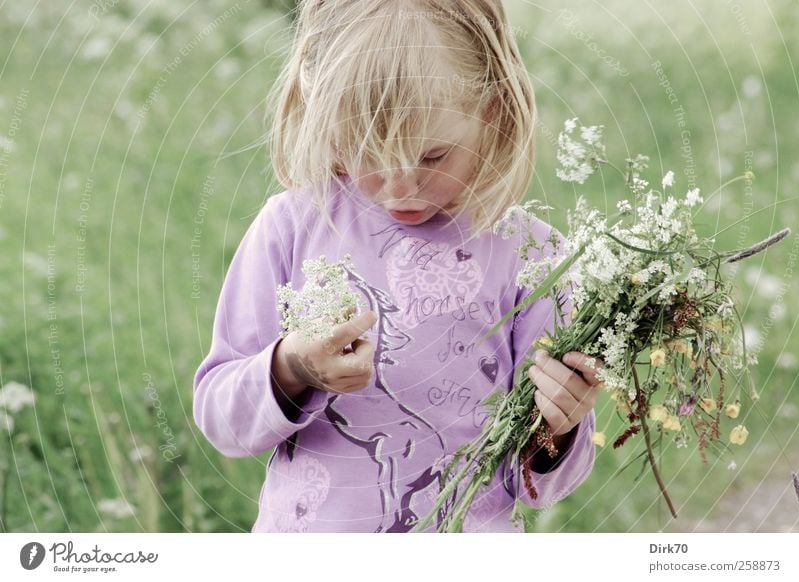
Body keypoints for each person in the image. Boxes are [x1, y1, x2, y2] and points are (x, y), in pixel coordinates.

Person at [193, 0, 602, 533]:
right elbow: (222, 418)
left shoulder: (532, 257)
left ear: (493, 112)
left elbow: (546, 483)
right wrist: (291, 369)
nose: (402, 188)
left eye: (433, 157)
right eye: (370, 155)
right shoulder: (295, 228)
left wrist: (561, 427)